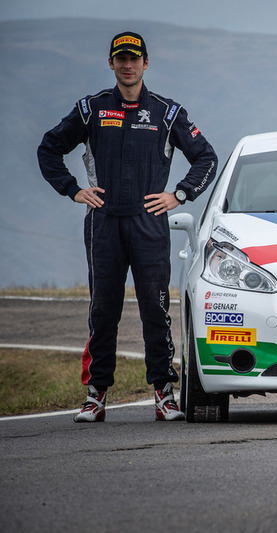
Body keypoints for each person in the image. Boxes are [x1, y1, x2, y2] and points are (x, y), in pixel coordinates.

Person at [37, 32, 218, 422]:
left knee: (155, 310)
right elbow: (49, 148)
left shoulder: (168, 113)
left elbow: (207, 158)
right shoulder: (91, 109)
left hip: (148, 224)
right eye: (120, 58)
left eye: (134, 58)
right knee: (104, 311)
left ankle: (164, 395)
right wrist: (73, 190)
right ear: (111, 64)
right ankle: (95, 395)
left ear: (146, 63)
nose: (127, 65)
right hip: (103, 223)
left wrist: (180, 196)